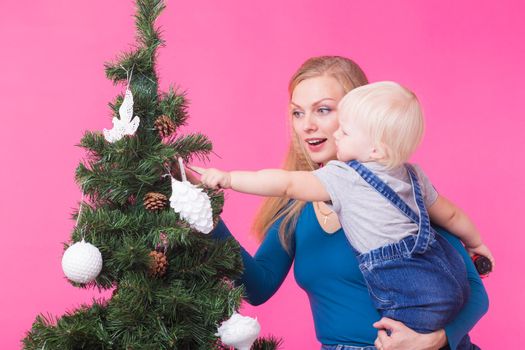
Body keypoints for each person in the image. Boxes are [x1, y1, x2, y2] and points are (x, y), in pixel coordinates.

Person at [192, 56, 488, 349]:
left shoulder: (399, 190)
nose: (307, 125)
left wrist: (433, 341)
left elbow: (475, 292)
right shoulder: (295, 208)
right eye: (297, 113)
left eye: (323, 110)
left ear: (359, 114)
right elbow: (259, 286)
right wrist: (206, 218)